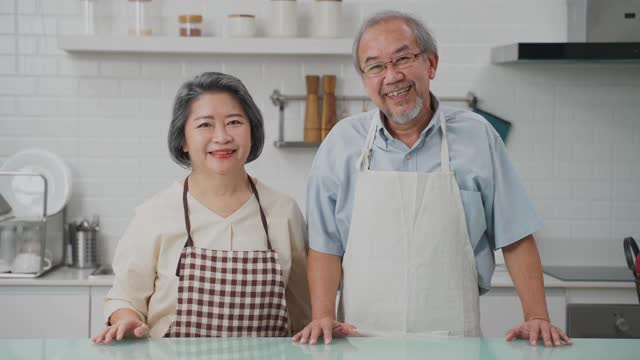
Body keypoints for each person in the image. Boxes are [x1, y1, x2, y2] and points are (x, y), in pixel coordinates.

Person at [293, 11, 571, 347]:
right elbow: (325, 244)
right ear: (365, 79)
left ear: (431, 64)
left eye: (404, 59)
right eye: (376, 67)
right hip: (359, 340)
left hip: (456, 341)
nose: (392, 76)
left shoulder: (476, 136)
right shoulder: (341, 142)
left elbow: (515, 236)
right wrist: (322, 315)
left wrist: (537, 316)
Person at [92, 72, 311, 343]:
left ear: (252, 132)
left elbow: (304, 312)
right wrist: (126, 321)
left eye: (234, 122)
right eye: (205, 124)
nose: (221, 137)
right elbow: (125, 297)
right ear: (183, 139)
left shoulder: (283, 211)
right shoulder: (154, 214)